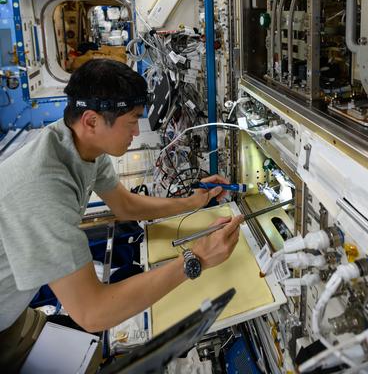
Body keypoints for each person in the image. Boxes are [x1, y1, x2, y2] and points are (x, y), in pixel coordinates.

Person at [0, 59, 243, 372]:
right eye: (131, 122)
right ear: (91, 120)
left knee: (84, 357)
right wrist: (195, 260)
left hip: (12, 313)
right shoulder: (42, 188)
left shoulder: (78, 146)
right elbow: (92, 312)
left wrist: (193, 202)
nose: (136, 131)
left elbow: (126, 206)